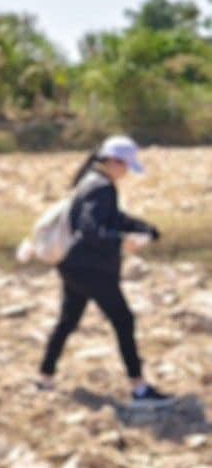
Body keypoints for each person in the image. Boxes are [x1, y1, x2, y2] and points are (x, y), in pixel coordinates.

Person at [38, 135, 170, 403]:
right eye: (126, 166)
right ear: (113, 162)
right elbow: (91, 231)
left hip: (74, 266)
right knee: (124, 320)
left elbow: (112, 218)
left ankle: (44, 378)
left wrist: (144, 228)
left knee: (68, 321)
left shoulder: (91, 181)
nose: (127, 172)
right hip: (93, 270)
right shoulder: (102, 188)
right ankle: (139, 388)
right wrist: (124, 241)